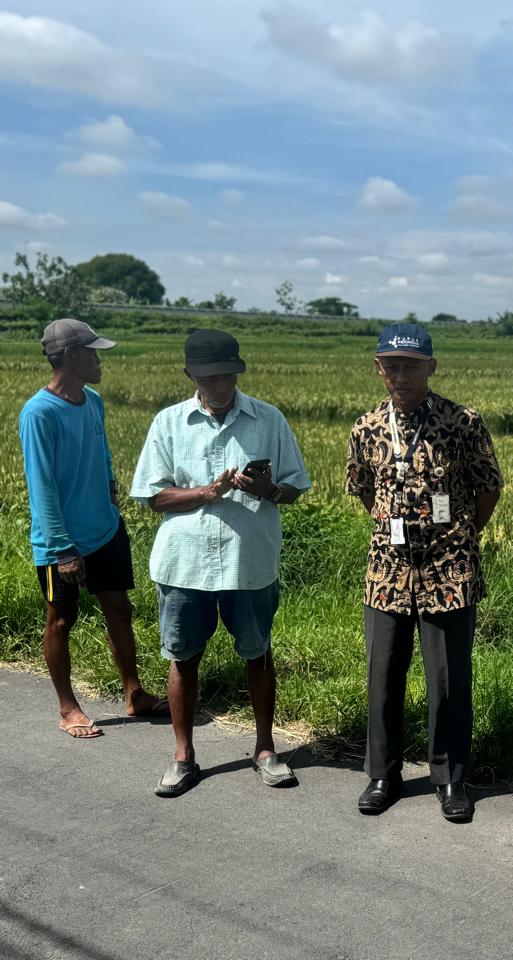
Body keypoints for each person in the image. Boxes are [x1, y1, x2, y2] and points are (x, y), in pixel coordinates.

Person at [131, 329, 311, 798]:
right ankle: (183, 756)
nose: (221, 384)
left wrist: (267, 490)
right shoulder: (169, 423)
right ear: (191, 374)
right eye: (211, 377)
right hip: (183, 563)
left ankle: (266, 749)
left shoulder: (268, 419)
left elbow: (295, 486)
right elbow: (154, 495)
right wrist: (208, 493)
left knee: (257, 651)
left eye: (229, 375)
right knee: (182, 656)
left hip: (248, 562)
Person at [347, 323, 503, 821]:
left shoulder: (463, 422)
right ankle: (382, 774)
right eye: (391, 365)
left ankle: (451, 777)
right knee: (383, 673)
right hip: (387, 570)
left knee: (449, 679)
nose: (400, 375)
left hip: (449, 570)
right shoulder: (367, 426)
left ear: (432, 367)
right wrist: (399, 531)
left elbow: (487, 489)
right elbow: (365, 490)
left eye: (411, 365)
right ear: (378, 368)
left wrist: (453, 535)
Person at [19, 318, 168, 738]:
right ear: (69, 356)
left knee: (119, 610)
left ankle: (135, 693)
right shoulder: (39, 413)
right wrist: (63, 549)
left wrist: (111, 497)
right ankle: (68, 708)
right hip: (60, 542)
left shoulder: (93, 400)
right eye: (93, 352)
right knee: (61, 619)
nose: (100, 359)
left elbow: (102, 457)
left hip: (104, 529)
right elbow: (41, 484)